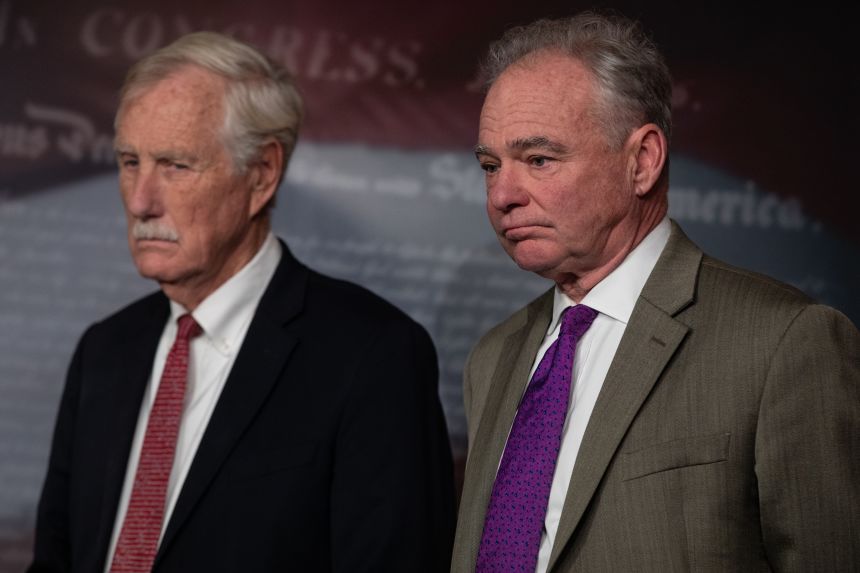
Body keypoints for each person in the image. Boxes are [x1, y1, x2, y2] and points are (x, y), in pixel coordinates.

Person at [29, 31, 455, 573]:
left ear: (261, 174)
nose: (140, 199)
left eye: (176, 165)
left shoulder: (371, 355)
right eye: (130, 161)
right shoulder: (104, 351)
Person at [451, 12, 860, 573]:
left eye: (539, 159)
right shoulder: (493, 357)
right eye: (490, 165)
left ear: (641, 161)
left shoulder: (785, 343)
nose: (502, 194)